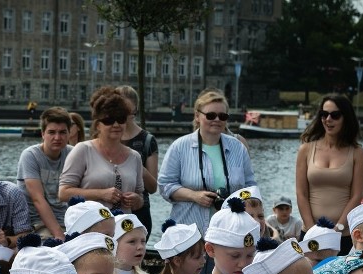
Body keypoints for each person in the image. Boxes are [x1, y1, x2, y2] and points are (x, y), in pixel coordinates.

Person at [158, 89, 256, 236]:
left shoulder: (238, 148)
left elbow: (250, 186)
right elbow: (165, 185)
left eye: (222, 116)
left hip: (229, 232)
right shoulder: (179, 147)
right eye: (210, 115)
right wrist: (194, 196)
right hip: (189, 232)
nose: (216, 120)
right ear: (197, 116)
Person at [295, 94, 363, 253]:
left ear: (345, 117)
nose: (328, 119)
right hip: (310, 234)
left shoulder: (357, 153)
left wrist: (338, 228)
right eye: (323, 114)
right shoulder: (306, 150)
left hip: (344, 236)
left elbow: (356, 196)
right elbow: (301, 193)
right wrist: (313, 231)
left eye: (335, 115)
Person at [59, 87, 145, 214]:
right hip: (90, 225)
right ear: (98, 125)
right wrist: (100, 194)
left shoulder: (134, 157)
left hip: (123, 226)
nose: (116, 125)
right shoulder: (83, 150)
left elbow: (140, 197)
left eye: (120, 119)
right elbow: (64, 193)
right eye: (109, 120)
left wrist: (136, 200)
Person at [17, 107, 73, 239]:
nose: (57, 137)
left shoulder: (73, 153)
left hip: (68, 219)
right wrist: (58, 234)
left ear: (69, 134)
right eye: (52, 132)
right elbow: (38, 199)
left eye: (62, 132)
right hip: (37, 221)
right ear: (43, 134)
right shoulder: (30, 156)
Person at [115, 85, 159, 234]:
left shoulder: (147, 140)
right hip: (109, 208)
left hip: (138, 210)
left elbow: (153, 187)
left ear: (135, 111)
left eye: (129, 111)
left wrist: (135, 163)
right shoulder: (106, 137)